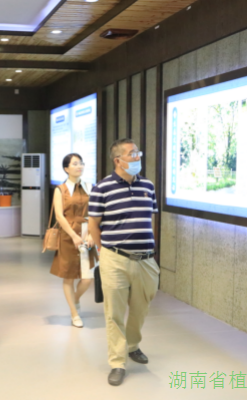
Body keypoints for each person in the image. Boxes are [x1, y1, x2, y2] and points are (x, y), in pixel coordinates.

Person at [88, 138, 160, 387]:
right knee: (114, 314)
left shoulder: (148, 186)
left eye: (138, 152)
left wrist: (150, 248)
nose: (138, 157)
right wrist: (104, 252)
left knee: (141, 309)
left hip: (146, 260)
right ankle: (117, 362)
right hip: (115, 258)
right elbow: (93, 224)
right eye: (132, 153)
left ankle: (132, 345)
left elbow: (150, 220)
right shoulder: (102, 188)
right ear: (118, 160)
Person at [49, 153, 96, 328]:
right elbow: (59, 216)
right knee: (69, 277)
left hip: (87, 233)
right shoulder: (60, 189)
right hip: (68, 236)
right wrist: (74, 236)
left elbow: (95, 212)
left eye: (81, 163)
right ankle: (74, 313)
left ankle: (74, 300)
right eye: (75, 164)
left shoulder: (89, 186)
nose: (79, 166)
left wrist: (91, 234)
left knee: (87, 278)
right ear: (66, 168)